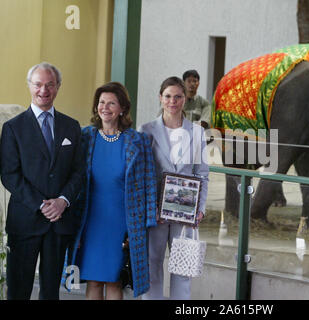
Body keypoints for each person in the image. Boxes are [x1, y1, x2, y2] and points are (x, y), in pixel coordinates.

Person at [0, 62, 84, 300]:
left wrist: (62, 201)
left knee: (50, 293)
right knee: (18, 290)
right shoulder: (13, 128)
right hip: (25, 220)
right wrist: (41, 204)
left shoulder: (72, 126)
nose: (43, 90)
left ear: (58, 87)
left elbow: (79, 172)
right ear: (30, 86)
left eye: (50, 84)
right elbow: (9, 174)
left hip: (59, 222)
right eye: (38, 84)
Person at [69, 82, 158, 299]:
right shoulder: (85, 137)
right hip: (90, 221)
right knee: (94, 280)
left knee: (114, 280)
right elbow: (73, 178)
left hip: (123, 222)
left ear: (122, 108)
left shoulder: (138, 141)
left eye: (111, 103)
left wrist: (147, 219)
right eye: (101, 102)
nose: (105, 107)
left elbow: (149, 180)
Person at [139, 76, 209, 300]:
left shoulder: (197, 132)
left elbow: (202, 175)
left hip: (186, 214)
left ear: (185, 99)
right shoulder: (146, 130)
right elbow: (140, 174)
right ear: (160, 98)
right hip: (155, 213)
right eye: (168, 96)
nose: (172, 101)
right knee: (152, 266)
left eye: (178, 97)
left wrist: (200, 208)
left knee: (182, 270)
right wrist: (149, 209)